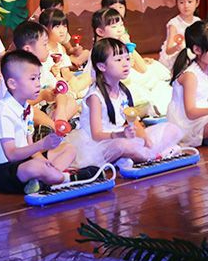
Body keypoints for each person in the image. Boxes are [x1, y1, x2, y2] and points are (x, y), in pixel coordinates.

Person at [65, 38, 183, 167]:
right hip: (99, 145)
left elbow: (134, 122)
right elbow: (96, 135)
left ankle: (139, 155)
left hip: (121, 136)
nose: (126, 64)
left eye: (127, 59)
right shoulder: (95, 97)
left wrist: (146, 139)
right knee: (122, 145)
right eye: (118, 60)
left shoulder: (123, 92)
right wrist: (120, 134)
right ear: (102, 66)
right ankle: (153, 155)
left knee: (172, 129)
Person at [0, 50, 85, 195]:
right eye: (32, 79)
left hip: (24, 160)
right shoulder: (2, 112)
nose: (38, 84)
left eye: (38, 78)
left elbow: (29, 146)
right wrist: (42, 145)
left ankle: (44, 179)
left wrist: (44, 161)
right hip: (3, 169)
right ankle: (65, 178)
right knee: (34, 167)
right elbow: (11, 155)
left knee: (69, 149)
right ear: (12, 83)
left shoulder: (27, 108)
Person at [91, 7, 172, 115]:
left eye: (121, 25)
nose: (120, 30)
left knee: (160, 83)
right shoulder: (100, 50)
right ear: (100, 32)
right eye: (114, 26)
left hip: (127, 84)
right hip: (114, 89)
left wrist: (129, 45)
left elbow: (143, 69)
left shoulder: (121, 45)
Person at [13, 20, 79, 123]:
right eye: (44, 44)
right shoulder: (16, 72)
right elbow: (17, 103)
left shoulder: (41, 68)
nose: (48, 48)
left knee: (71, 103)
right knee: (28, 110)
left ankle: (54, 124)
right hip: (25, 113)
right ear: (28, 49)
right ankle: (53, 126)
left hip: (45, 110)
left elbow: (59, 92)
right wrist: (42, 96)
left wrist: (61, 111)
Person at [39, 9, 92, 96]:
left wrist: (73, 80)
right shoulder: (41, 50)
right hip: (50, 85)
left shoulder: (61, 48)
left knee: (88, 77)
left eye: (64, 26)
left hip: (63, 83)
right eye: (57, 27)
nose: (62, 31)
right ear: (44, 29)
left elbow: (66, 73)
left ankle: (74, 91)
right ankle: (74, 92)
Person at [159, 0, 202, 69]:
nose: (186, 5)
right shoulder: (174, 24)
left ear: (197, 3)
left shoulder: (198, 21)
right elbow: (168, 50)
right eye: (181, 2)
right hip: (177, 57)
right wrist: (177, 48)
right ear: (177, 3)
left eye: (190, 2)